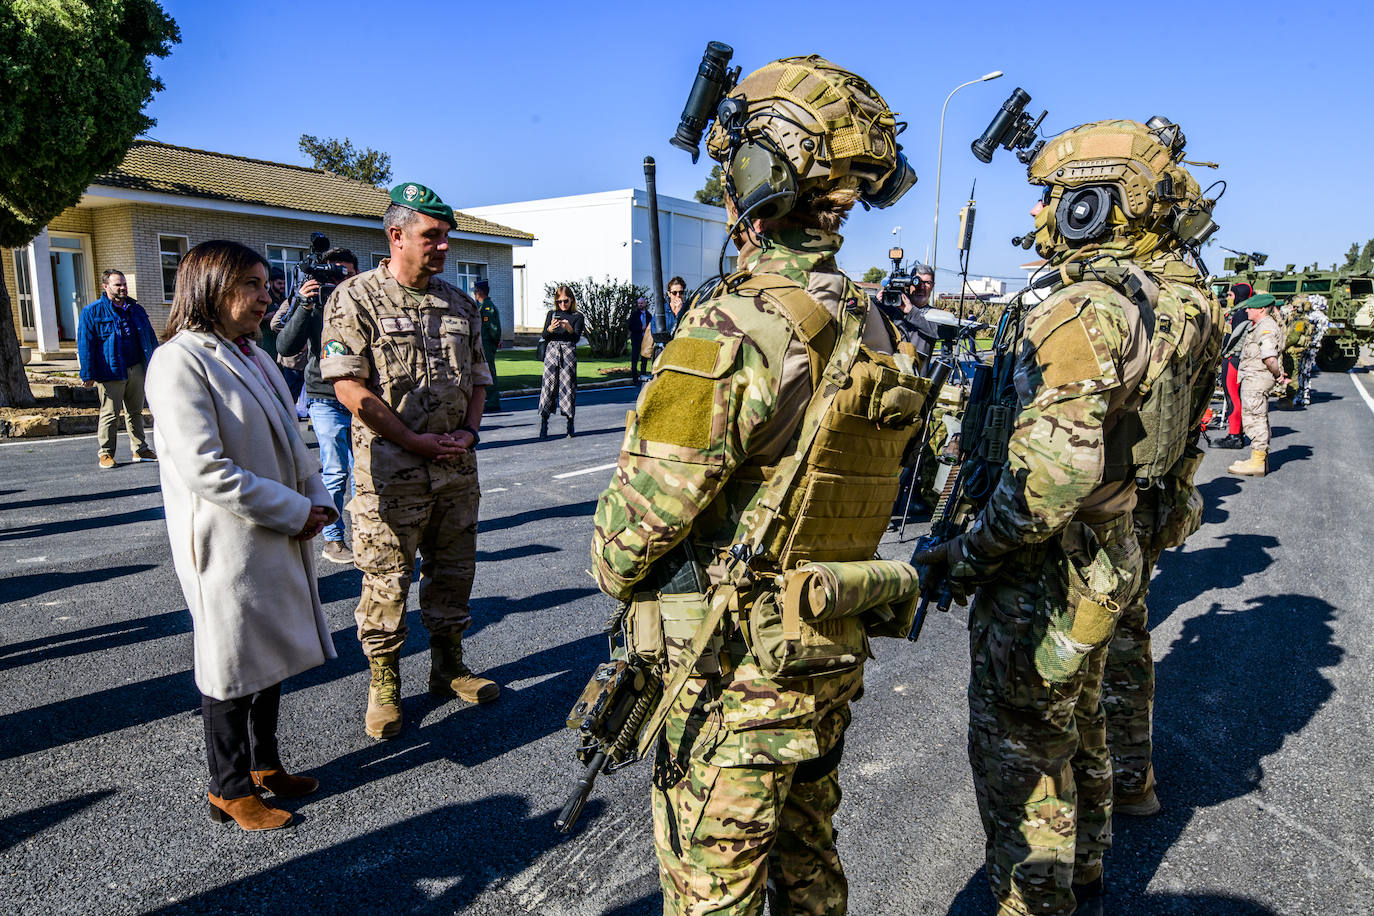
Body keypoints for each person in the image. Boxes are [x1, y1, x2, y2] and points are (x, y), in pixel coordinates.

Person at [591, 54, 922, 914]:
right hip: (822, 649)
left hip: (729, 674)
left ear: (758, 172)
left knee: (714, 893)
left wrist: (623, 575)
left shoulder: (736, 324)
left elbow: (626, 541)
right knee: (809, 862)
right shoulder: (875, 320)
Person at [916, 116, 1215, 916]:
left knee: (1022, 743)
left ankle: (1034, 899)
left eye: (1056, 200)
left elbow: (1051, 480)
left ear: (1092, 205)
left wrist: (970, 554)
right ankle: (1085, 863)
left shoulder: (1084, 309)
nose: (1045, 217)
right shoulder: (1164, 298)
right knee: (1078, 713)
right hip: (1111, 541)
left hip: (1052, 562)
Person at [145, 240, 337, 831]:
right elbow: (205, 469)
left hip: (274, 529)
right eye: (252, 285)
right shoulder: (178, 361)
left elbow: (292, 437)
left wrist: (320, 498)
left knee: (268, 652)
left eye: (265, 283)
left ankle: (265, 766)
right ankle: (228, 787)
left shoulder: (251, 353)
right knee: (229, 663)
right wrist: (292, 509)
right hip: (227, 540)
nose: (267, 295)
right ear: (211, 288)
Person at [320, 181, 500, 740]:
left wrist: (469, 432)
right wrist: (415, 441)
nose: (443, 245)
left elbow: (478, 378)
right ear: (396, 235)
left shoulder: (461, 303)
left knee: (453, 573)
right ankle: (384, 684)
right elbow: (350, 389)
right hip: (390, 473)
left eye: (446, 236)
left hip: (454, 469)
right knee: (386, 579)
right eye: (432, 235)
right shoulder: (353, 298)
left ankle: (447, 668)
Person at [1102, 238, 1223, 821]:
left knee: (1085, 651)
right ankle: (1130, 779)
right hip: (1153, 495)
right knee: (1127, 636)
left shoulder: (1136, 298)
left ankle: (1081, 799)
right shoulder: (1197, 298)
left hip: (1105, 501)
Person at [276, 246, 360, 565]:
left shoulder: (365, 302)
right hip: (325, 395)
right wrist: (303, 301)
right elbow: (286, 345)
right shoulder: (316, 303)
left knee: (366, 470)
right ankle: (334, 540)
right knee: (337, 470)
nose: (341, 278)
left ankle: (368, 532)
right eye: (335, 271)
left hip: (362, 394)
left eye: (347, 272)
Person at [78, 269, 159, 468]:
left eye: (124, 284)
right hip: (111, 371)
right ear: (105, 287)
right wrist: (87, 373)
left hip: (136, 368)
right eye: (117, 284)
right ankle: (105, 453)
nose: (122, 288)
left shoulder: (136, 309)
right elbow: (85, 344)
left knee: (135, 411)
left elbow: (149, 337)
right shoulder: (92, 312)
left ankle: (140, 449)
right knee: (109, 414)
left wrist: (158, 363)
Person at [1229, 293, 1285, 477]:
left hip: (1257, 379)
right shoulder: (1262, 325)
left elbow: (1269, 357)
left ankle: (1257, 462)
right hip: (1256, 378)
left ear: (1261, 309)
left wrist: (1278, 374)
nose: (1246, 310)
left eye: (1250, 307)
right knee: (1258, 415)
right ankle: (1257, 458)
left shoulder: (1266, 327)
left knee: (1255, 417)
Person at [538, 285, 585, 438]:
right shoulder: (551, 314)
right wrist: (551, 329)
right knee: (548, 386)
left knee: (568, 386)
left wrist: (569, 328)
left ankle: (570, 422)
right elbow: (544, 335)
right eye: (559, 301)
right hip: (552, 351)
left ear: (571, 300)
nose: (563, 304)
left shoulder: (578, 316)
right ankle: (544, 423)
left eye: (566, 301)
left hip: (568, 351)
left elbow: (576, 337)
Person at [1213, 282, 1253, 449]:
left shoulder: (1240, 314)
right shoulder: (1244, 312)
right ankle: (1238, 432)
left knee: (1233, 397)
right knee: (1236, 397)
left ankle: (1234, 435)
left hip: (1233, 359)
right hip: (1237, 359)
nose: (1228, 298)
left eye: (1231, 295)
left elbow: (1232, 339)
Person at [268, 267, 308, 404]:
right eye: (279, 283)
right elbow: (275, 324)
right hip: (293, 360)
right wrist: (296, 336)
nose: (282, 286)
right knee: (289, 396)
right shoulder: (292, 301)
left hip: (305, 360)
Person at [474, 278, 503, 412]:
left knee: (489, 372)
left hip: (487, 344)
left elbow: (493, 328)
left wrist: (496, 341)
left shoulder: (487, 307)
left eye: (476, 290)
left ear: (479, 292)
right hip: (481, 344)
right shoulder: (481, 306)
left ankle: (493, 402)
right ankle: (487, 400)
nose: (474, 293)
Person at [1295, 294, 1329, 407]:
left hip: (1307, 347)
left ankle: (1303, 395)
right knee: (1305, 371)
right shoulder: (1323, 318)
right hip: (1313, 347)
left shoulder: (1311, 316)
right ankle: (1304, 394)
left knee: (1302, 371)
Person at [627, 295, 653, 383]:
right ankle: (635, 378)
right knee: (634, 359)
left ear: (645, 304)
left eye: (641, 303)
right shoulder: (634, 315)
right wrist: (640, 328)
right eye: (639, 303)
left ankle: (643, 376)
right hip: (636, 340)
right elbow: (630, 327)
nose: (640, 305)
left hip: (645, 340)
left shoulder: (649, 315)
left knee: (644, 360)